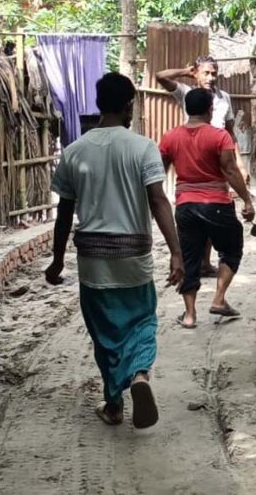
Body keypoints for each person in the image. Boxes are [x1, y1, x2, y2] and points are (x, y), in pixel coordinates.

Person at [46, 72, 183, 429]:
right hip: (134, 257)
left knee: (105, 332)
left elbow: (63, 214)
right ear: (129, 106)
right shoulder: (142, 148)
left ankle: (114, 404)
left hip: (92, 260)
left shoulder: (74, 152)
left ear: (98, 102)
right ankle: (139, 374)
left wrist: (57, 259)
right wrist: (177, 253)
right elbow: (158, 201)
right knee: (141, 322)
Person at [159, 88, 255, 328]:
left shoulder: (170, 137)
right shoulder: (219, 136)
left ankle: (190, 315)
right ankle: (219, 299)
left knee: (189, 257)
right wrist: (247, 200)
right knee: (231, 249)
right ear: (210, 109)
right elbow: (231, 171)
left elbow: (159, 170)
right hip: (217, 204)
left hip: (185, 205)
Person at [155, 55, 245, 276]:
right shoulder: (187, 93)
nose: (211, 77)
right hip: (195, 151)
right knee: (201, 206)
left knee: (210, 205)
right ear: (196, 74)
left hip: (220, 153)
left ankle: (203, 262)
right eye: (206, 72)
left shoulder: (224, 98)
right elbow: (160, 76)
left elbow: (231, 134)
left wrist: (240, 164)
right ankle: (192, 261)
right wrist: (186, 71)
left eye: (214, 73)